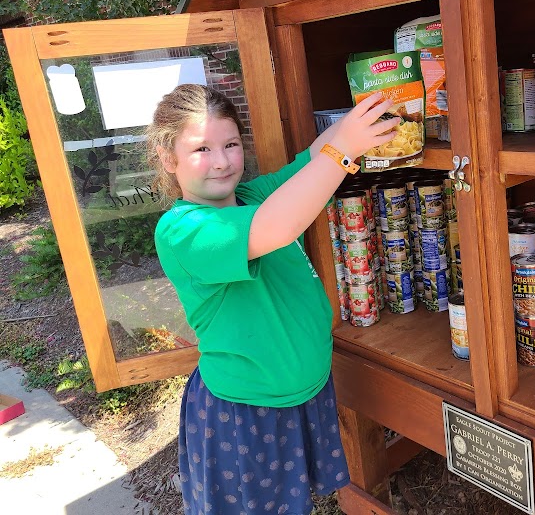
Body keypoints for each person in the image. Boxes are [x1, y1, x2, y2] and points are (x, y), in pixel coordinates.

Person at [145, 84, 397, 515]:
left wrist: (356, 120)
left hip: (301, 391)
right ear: (169, 159)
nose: (222, 161)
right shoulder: (182, 230)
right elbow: (275, 226)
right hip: (246, 411)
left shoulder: (251, 195)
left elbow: (311, 163)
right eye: (202, 149)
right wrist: (345, 150)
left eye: (230, 144)